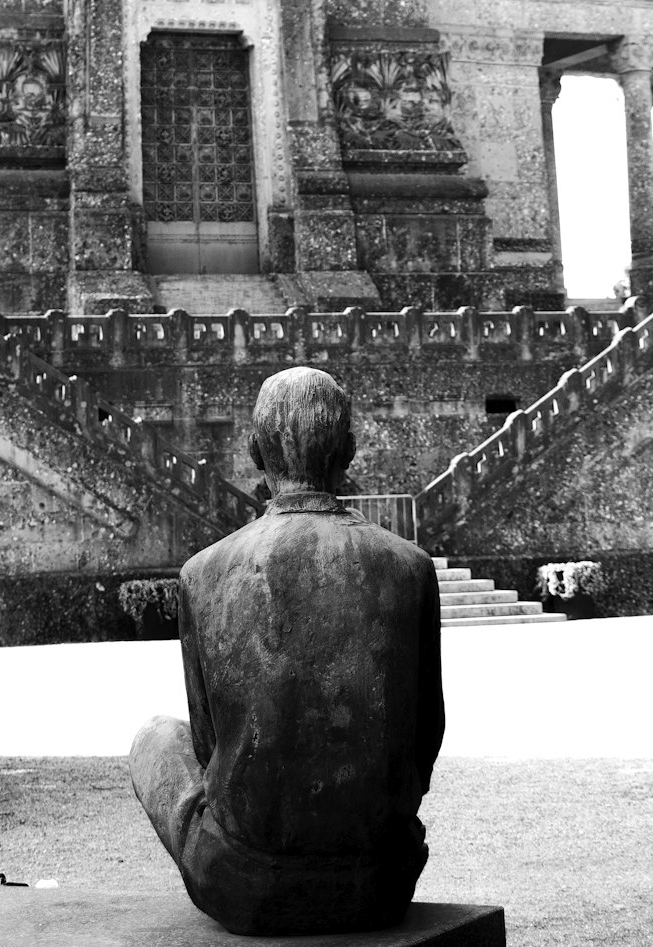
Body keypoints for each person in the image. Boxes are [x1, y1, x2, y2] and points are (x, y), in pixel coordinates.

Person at [129, 365, 444, 935]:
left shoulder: (203, 573)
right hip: (382, 877)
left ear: (254, 450)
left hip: (246, 883)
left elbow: (207, 746)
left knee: (155, 736)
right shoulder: (410, 567)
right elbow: (426, 737)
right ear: (347, 450)